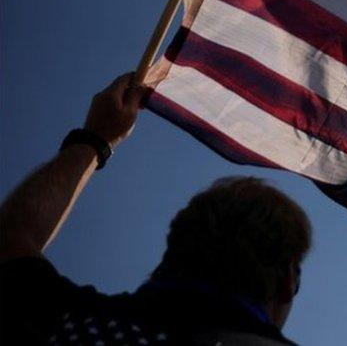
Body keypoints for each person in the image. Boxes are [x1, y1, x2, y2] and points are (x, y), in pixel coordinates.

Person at [0, 73, 312, 345]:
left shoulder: (73, 325)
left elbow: (11, 238)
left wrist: (95, 139)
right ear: (286, 282)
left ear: (174, 249)